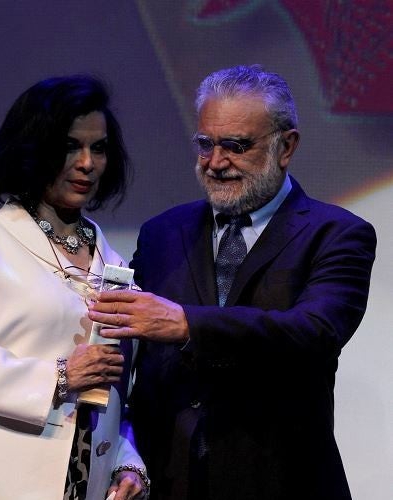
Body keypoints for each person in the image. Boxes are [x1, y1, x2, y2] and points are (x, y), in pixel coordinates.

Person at [87, 65, 376, 500]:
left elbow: (315, 332)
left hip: (281, 481)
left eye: (237, 146)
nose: (217, 163)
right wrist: (124, 454)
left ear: (286, 147)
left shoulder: (336, 233)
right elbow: (129, 358)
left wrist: (188, 325)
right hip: (168, 481)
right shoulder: (163, 232)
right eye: (206, 144)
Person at [0, 75, 149, 500]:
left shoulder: (117, 265)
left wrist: (127, 462)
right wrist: (57, 375)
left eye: (99, 147)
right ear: (34, 149)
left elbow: (108, 394)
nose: (87, 162)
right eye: (71, 146)